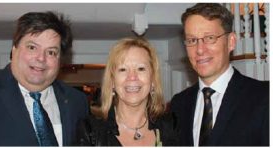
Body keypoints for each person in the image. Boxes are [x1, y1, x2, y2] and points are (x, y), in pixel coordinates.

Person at [0, 11, 89, 146]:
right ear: (14, 49)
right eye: (32, 47)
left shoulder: (76, 101)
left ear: (60, 60)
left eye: (51, 52)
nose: (41, 58)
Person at [170, 3, 269, 146]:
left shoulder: (264, 97)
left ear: (231, 42)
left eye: (209, 38)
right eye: (192, 40)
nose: (199, 50)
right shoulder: (179, 103)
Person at [74, 37, 179, 146]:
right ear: (113, 82)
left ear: (153, 80)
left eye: (141, 68)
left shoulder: (171, 126)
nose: (132, 77)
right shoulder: (90, 131)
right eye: (123, 69)